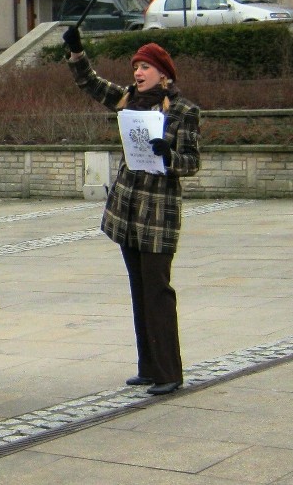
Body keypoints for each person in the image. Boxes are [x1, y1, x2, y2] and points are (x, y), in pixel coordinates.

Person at [62, 29, 200, 395]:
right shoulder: (127, 99)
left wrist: (169, 157)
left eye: (145, 67)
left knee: (158, 291)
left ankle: (169, 372)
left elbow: (192, 162)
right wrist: (77, 51)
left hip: (158, 214)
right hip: (127, 210)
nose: (138, 72)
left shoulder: (184, 111)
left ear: (163, 74)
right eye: (136, 66)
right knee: (139, 289)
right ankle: (148, 367)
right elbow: (91, 84)